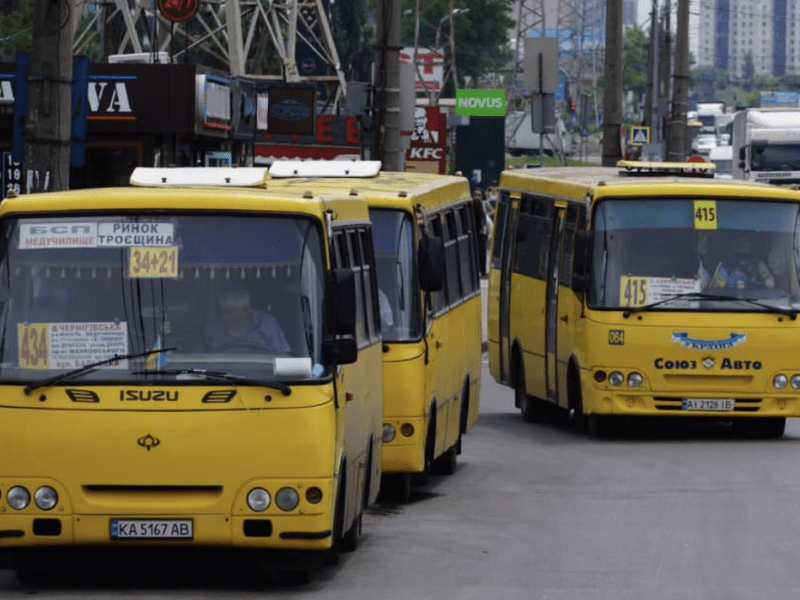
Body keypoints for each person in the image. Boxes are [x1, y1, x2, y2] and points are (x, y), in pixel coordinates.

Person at [206, 287, 291, 353]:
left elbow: (283, 358)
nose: (223, 317)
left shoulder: (267, 325)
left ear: (245, 310)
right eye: (221, 312)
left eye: (228, 313)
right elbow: (199, 358)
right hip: (218, 374)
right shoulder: (212, 328)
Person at [472, 187, 488, 277]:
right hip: (479, 234)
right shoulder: (472, 206)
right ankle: (481, 270)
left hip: (480, 235)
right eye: (476, 195)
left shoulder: (484, 204)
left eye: (479, 195)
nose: (477, 197)